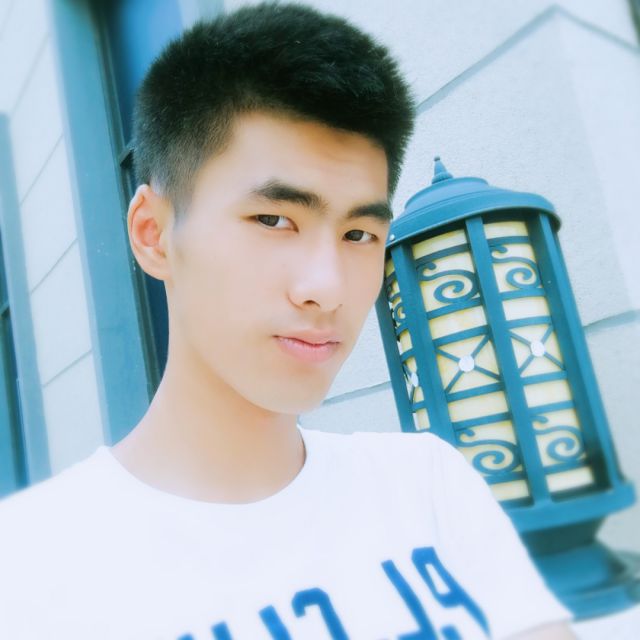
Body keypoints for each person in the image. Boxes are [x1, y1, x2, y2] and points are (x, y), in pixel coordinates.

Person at [0, 2, 577, 639]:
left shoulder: (426, 484)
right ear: (154, 234)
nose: (326, 288)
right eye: (274, 220)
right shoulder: (32, 568)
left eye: (359, 233)